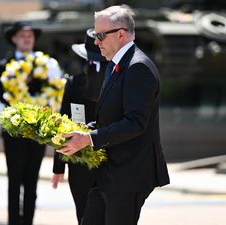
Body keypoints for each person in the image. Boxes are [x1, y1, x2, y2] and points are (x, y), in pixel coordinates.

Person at [57, 5, 170, 225]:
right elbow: (111, 116)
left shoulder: (138, 67)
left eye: (100, 35)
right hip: (109, 172)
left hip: (129, 174)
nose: (96, 41)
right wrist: (84, 130)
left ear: (120, 34)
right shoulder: (115, 64)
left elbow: (135, 123)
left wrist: (89, 139)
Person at [0, 21, 62, 225]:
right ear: (14, 38)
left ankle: (28, 221)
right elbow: (2, 96)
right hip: (13, 131)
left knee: (32, 181)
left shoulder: (47, 65)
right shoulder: (4, 65)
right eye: (22, 35)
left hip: (37, 131)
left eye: (30, 35)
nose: (27, 38)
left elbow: (54, 92)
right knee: (14, 181)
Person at [51, 29, 107, 225]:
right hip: (80, 162)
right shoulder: (74, 84)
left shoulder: (116, 82)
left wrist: (59, 167)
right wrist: (58, 166)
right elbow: (62, 124)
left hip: (107, 161)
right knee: (84, 215)